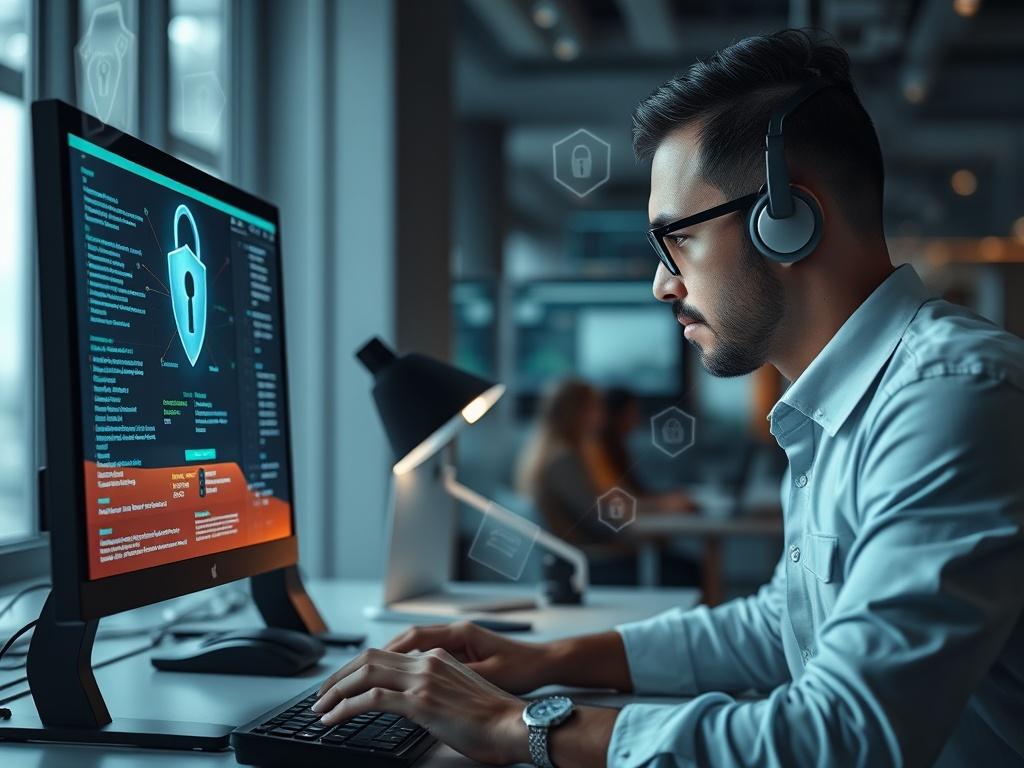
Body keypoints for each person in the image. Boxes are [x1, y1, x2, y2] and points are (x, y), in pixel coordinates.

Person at [309, 30, 1024, 767]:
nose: (662, 285)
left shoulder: (951, 398)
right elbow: (779, 623)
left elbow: (840, 738)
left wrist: (517, 726)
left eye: (674, 241)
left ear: (786, 219)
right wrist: (540, 662)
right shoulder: (838, 411)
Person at [514, 378, 698, 586]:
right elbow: (601, 520)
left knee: (680, 565)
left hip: (588, 558)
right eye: (596, 407)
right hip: (589, 564)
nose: (602, 415)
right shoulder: (563, 461)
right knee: (686, 572)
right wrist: (650, 525)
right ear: (578, 413)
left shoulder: (566, 454)